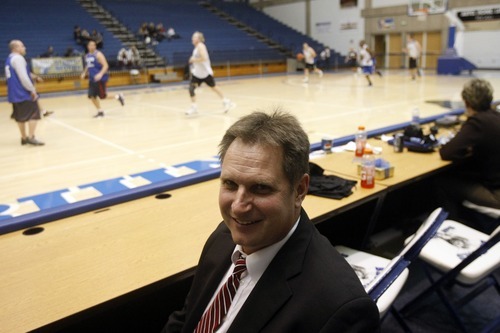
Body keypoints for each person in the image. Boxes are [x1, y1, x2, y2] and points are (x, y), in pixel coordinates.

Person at [162, 109, 381, 332]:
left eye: (260, 188)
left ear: (299, 190)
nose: (238, 206)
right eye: (230, 184)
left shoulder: (340, 307)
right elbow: (188, 318)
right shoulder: (223, 237)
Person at [437, 79, 500, 234]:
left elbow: (447, 153)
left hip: (496, 194)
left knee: (442, 183)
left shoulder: (478, 123)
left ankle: (451, 230)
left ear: (466, 102)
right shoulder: (495, 116)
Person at [5, 40, 45, 146]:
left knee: (20, 117)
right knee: (34, 114)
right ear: (16, 48)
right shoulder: (18, 58)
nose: (24, 48)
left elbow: (22, 74)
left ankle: (23, 138)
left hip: (14, 94)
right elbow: (23, 77)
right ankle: (31, 137)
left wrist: (35, 76)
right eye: (22, 46)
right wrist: (32, 90)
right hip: (23, 93)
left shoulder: (9, 59)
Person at [186, 31, 232, 116]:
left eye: (194, 37)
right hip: (197, 74)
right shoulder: (196, 48)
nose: (192, 38)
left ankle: (226, 101)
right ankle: (194, 106)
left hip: (205, 73)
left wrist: (193, 60)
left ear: (199, 39)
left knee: (214, 87)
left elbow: (204, 58)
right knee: (191, 88)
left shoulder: (201, 46)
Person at [80, 40, 124, 118]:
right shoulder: (87, 56)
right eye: (90, 45)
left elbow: (106, 65)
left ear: (95, 46)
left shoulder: (98, 54)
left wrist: (100, 74)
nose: (92, 46)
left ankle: (118, 96)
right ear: (88, 46)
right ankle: (100, 111)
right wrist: (84, 73)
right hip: (92, 79)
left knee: (102, 96)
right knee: (91, 96)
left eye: (94, 45)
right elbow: (88, 65)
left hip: (100, 79)